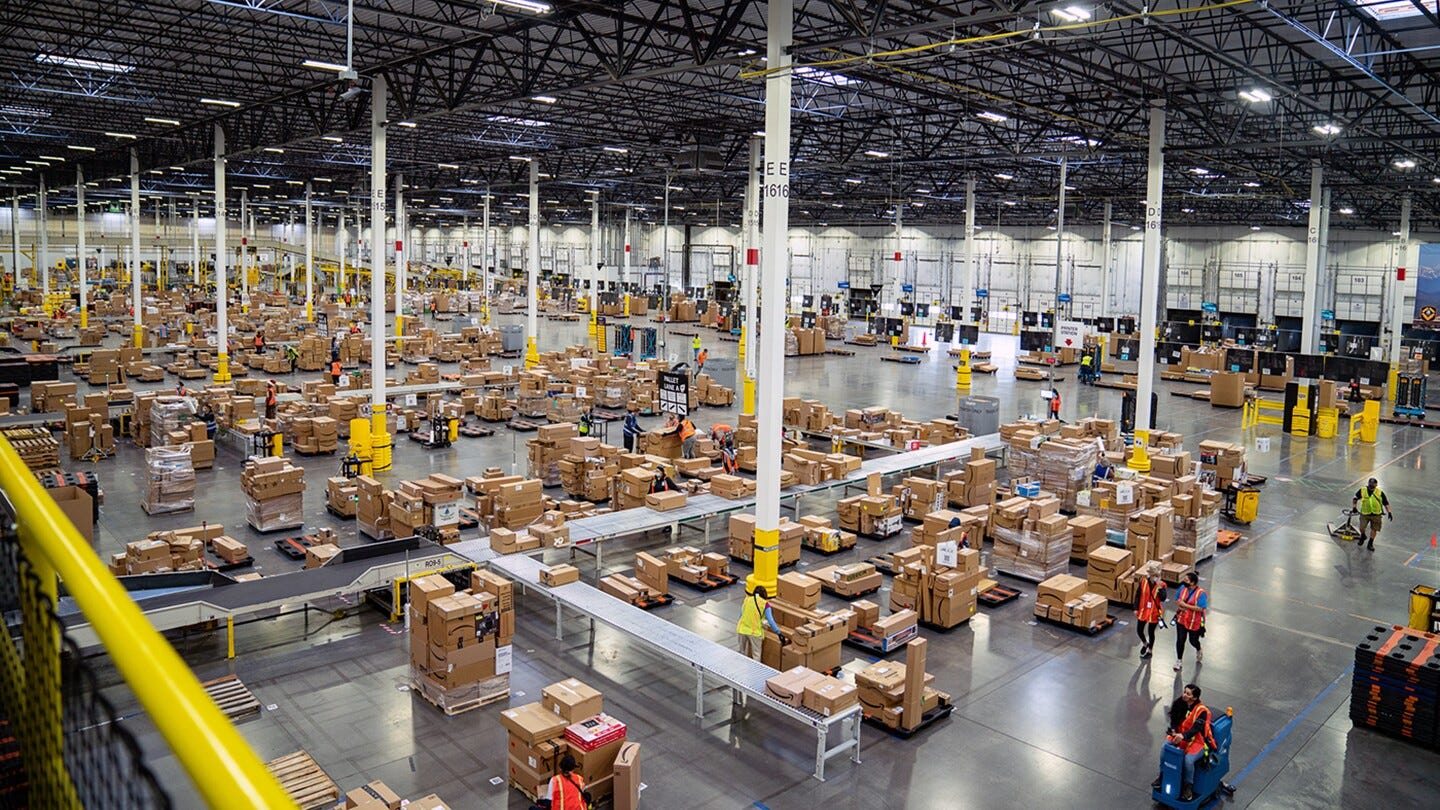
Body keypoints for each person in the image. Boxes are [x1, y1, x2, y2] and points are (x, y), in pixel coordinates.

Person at [1152, 684, 1217, 803]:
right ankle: (1162, 775)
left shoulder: (1202, 711)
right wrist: (1173, 731)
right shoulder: (1179, 703)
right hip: (1179, 735)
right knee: (1164, 748)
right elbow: (1174, 719)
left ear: (1195, 698)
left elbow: (1196, 728)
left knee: (1188, 760)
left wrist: (1183, 736)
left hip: (1197, 741)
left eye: (1188, 694)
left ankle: (1188, 786)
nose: (1184, 695)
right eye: (1184, 692)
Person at [736, 585, 783, 661]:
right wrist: (779, 633)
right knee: (756, 655)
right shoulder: (765, 604)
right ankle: (756, 672)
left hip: (741, 629)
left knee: (741, 652)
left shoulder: (747, 599)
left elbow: (741, 614)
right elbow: (771, 621)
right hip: (754, 633)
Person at [1173, 572, 1206, 671]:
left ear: (1193, 583)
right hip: (1182, 618)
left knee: (1193, 640)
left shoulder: (1201, 593)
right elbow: (1177, 599)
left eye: (1187, 580)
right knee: (1180, 639)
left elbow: (1201, 608)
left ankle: (1198, 648)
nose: (1184, 581)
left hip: (1194, 621)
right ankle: (1179, 660)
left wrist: (1186, 606)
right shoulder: (1182, 588)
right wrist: (1179, 606)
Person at [1351, 477, 1393, 551]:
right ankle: (1363, 536)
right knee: (1361, 527)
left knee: (1374, 529)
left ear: (1376, 485)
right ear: (1368, 483)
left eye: (1373, 484)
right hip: (1365, 513)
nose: (1372, 485)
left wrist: (1389, 512)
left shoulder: (1380, 492)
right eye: (1370, 483)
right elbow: (1355, 498)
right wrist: (1354, 507)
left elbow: (1386, 503)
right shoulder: (1362, 490)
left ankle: (1370, 543)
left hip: (1376, 514)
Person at [1135, 564, 1167, 660]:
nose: (1152, 576)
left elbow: (1163, 598)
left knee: (1151, 632)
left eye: (1155, 575)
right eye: (1151, 574)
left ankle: (1150, 650)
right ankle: (1145, 643)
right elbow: (1138, 595)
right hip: (1143, 610)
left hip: (1154, 612)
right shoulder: (1143, 582)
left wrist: (1159, 587)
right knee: (1139, 630)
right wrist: (1135, 608)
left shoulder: (1162, 585)